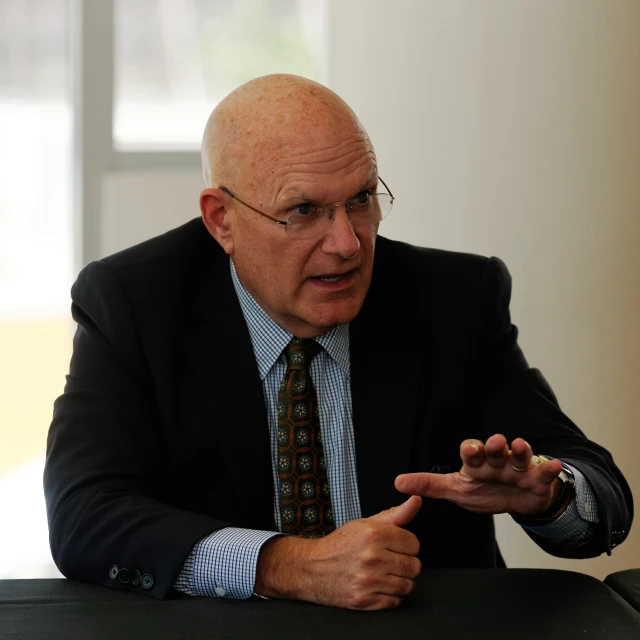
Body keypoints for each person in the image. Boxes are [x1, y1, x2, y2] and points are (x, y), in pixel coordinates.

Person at [44, 74, 632, 611]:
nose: (348, 244)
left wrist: (551, 498)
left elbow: (600, 496)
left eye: (360, 199)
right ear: (222, 219)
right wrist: (285, 565)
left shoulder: (453, 300)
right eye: (303, 211)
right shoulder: (134, 303)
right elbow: (84, 516)